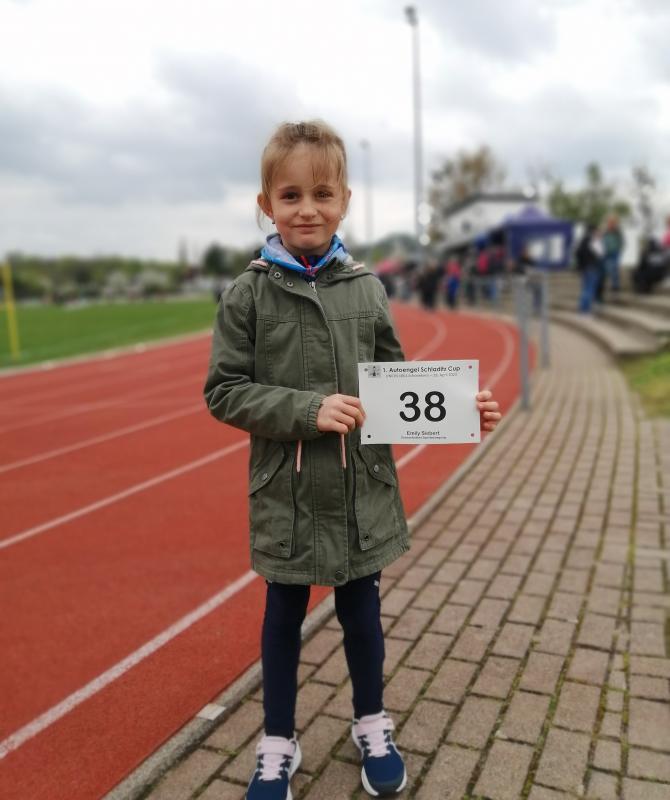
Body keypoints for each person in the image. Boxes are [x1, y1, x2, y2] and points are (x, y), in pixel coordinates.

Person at [203, 120, 502, 800]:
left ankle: (372, 722)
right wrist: (306, 410)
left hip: (361, 489)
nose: (306, 209)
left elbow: (397, 387)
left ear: (344, 201)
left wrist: (464, 410)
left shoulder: (367, 288)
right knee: (283, 618)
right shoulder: (247, 294)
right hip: (288, 493)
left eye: (321, 194)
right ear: (266, 205)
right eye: (290, 196)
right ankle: (278, 741)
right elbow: (224, 391)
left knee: (362, 614)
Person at [575, 224, 602, 313]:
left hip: (585, 267)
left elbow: (577, 253)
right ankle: (585, 310)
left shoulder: (583, 240)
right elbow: (600, 253)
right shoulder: (592, 240)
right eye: (597, 231)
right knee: (589, 289)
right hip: (592, 267)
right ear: (593, 231)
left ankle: (582, 309)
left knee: (585, 288)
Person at [601, 214, 625, 293]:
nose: (611, 224)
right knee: (605, 269)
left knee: (614, 268)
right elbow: (601, 240)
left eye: (612, 222)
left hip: (614, 252)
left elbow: (621, 242)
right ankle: (602, 285)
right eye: (609, 222)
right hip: (605, 252)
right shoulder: (605, 231)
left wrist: (618, 249)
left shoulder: (617, 232)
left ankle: (615, 286)